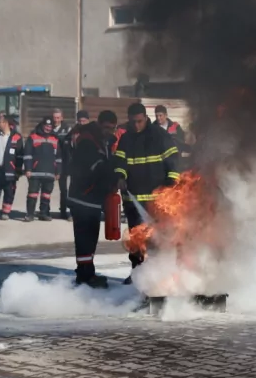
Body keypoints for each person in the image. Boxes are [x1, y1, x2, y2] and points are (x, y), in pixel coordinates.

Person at [113, 103, 180, 283]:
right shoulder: (126, 139)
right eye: (133, 122)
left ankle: (161, 275)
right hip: (132, 198)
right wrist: (120, 175)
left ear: (145, 117)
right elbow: (120, 161)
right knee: (136, 239)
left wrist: (170, 181)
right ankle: (138, 274)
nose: (136, 125)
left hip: (155, 200)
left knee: (158, 239)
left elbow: (173, 160)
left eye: (140, 121)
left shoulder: (159, 136)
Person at [67, 110, 119, 289]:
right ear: (99, 124)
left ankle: (88, 273)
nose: (109, 132)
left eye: (112, 129)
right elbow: (96, 168)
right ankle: (84, 277)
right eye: (106, 128)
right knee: (84, 240)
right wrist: (114, 177)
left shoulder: (102, 141)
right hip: (83, 198)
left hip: (93, 199)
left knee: (91, 240)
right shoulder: (88, 142)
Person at [23, 116, 61, 222]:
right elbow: (27, 155)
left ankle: (43, 214)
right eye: (46, 126)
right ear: (42, 125)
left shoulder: (55, 139)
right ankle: (30, 214)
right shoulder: (33, 137)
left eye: (50, 126)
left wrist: (58, 171)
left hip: (50, 172)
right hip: (35, 172)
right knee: (32, 194)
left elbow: (58, 158)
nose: (48, 128)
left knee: (46, 195)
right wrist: (28, 169)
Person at [54, 108, 75, 221]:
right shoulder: (48, 128)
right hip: (53, 163)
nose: (56, 120)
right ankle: (62, 211)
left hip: (66, 163)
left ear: (62, 118)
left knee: (67, 189)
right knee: (59, 189)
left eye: (58, 118)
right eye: (54, 118)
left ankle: (70, 212)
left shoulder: (68, 129)